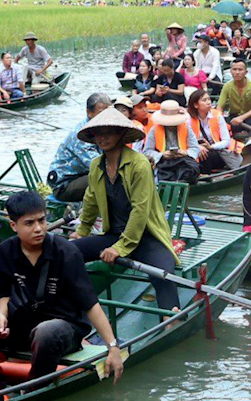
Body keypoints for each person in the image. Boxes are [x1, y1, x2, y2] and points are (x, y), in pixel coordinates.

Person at [0, 191, 125, 386]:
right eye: (29, 223)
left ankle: (33, 389)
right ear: (13, 226)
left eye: (42, 220)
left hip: (64, 328)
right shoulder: (5, 251)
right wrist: (1, 314)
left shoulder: (66, 252)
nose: (38, 228)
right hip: (22, 323)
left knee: (46, 331)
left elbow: (90, 304)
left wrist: (112, 347)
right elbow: (3, 292)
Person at [73, 109, 179, 310]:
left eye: (109, 132)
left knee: (163, 275)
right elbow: (91, 201)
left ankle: (170, 319)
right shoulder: (97, 165)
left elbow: (140, 210)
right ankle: (78, 303)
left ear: (121, 134)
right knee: (69, 252)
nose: (103, 138)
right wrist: (82, 231)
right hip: (114, 235)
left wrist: (119, 249)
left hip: (147, 237)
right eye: (98, 133)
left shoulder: (139, 165)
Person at [46, 92, 110, 202]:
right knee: (104, 177)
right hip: (64, 185)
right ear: (89, 112)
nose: (105, 117)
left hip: (81, 176)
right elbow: (97, 165)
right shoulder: (82, 134)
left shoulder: (100, 129)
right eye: (101, 113)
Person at [140, 99, 201, 184]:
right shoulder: (154, 129)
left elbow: (195, 149)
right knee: (164, 176)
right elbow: (147, 151)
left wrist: (185, 152)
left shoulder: (186, 127)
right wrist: (162, 155)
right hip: (164, 163)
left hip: (183, 160)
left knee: (191, 171)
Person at [217, 68, 251, 139]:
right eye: (234, 70)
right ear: (231, 71)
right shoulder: (227, 86)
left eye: (240, 70)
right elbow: (219, 106)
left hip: (250, 119)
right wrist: (219, 117)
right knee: (219, 120)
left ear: (246, 72)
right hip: (234, 120)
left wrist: (241, 118)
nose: (237, 72)